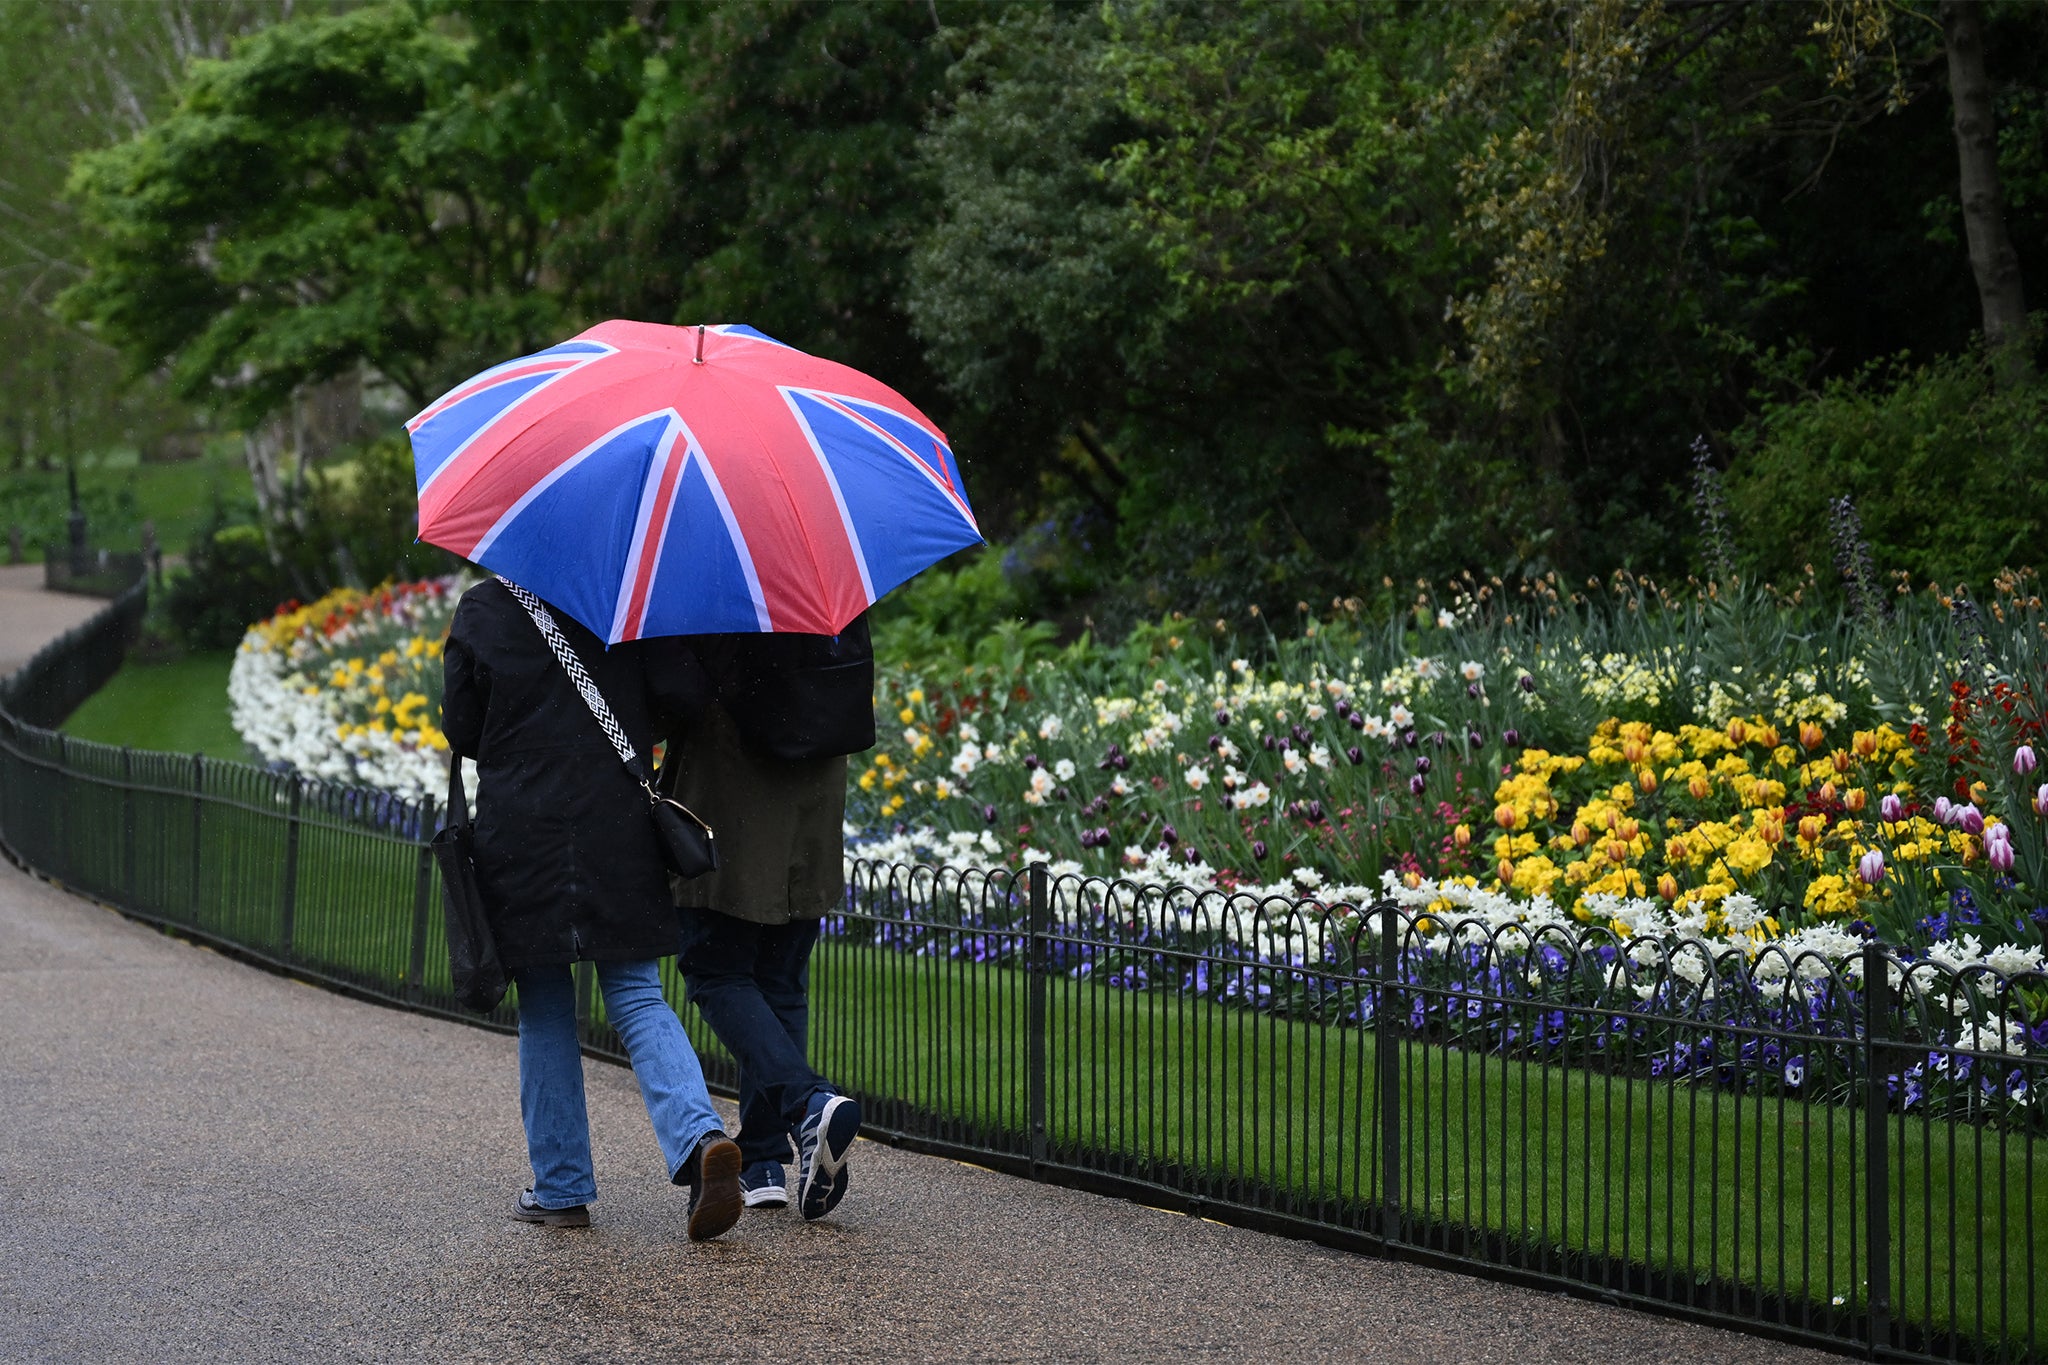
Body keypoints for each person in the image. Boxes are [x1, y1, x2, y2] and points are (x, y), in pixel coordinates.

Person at [441, 576, 743, 1241]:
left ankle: (562, 1187)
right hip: (615, 821)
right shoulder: (624, 600)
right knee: (636, 995)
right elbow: (685, 696)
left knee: (546, 1006)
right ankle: (700, 1141)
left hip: (520, 829)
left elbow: (460, 726)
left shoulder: (485, 607)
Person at [650, 615, 875, 1221]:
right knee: (780, 981)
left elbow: (678, 696)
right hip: (813, 795)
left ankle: (807, 1106)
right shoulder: (825, 572)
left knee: (714, 970)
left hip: (734, 794)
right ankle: (762, 1160)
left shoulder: (718, 582)